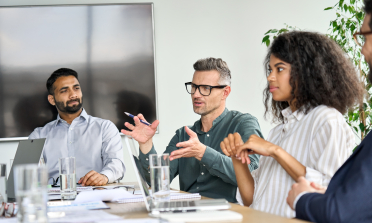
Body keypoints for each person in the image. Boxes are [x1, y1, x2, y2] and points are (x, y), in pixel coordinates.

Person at [220, 31, 364, 217]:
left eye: (279, 69)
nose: (270, 77)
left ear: (306, 71)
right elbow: (252, 199)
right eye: (270, 70)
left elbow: (328, 191)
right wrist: (237, 158)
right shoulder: (278, 131)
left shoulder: (326, 119)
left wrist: (275, 151)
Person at [121, 58, 262, 202]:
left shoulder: (243, 124)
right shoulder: (183, 134)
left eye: (205, 88)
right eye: (194, 87)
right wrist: (146, 144)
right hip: (188, 213)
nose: (196, 94)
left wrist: (203, 153)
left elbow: (252, 175)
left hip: (228, 214)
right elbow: (155, 183)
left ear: (225, 92)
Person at [286, 1, 372, 222]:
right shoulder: (280, 129)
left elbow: (341, 212)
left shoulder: (327, 119)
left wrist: (302, 197)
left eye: (365, 36)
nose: (362, 50)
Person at [29, 68, 125, 186]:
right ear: (52, 99)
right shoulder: (39, 135)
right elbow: (25, 176)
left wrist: (104, 176)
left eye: (76, 88)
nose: (73, 94)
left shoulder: (105, 127)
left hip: (96, 195)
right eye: (64, 91)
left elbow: (116, 164)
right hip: (56, 200)